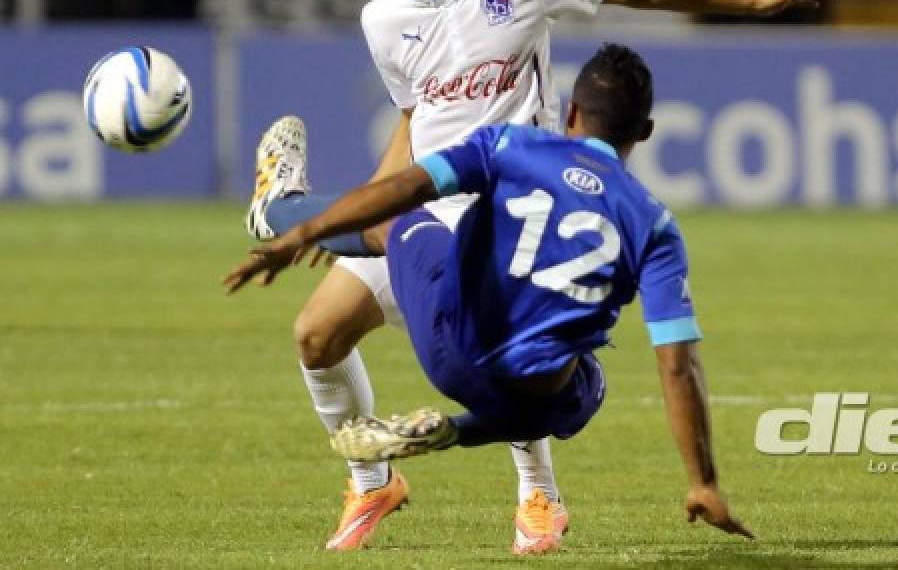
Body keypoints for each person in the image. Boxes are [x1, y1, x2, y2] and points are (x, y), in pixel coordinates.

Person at [242, 0, 833, 553]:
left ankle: (539, 496)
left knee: (513, 347)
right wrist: (368, 206)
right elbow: (415, 120)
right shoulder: (384, 18)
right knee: (316, 335)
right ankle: (373, 486)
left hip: (511, 217)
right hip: (428, 207)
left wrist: (754, 1)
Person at [226, 44, 754, 548]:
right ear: (646, 131)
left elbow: (408, 186)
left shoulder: (510, 147)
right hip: (535, 400)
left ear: (571, 114)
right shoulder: (655, 225)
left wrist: (306, 232)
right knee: (578, 380)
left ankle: (277, 210)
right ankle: (457, 434)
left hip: (449, 347)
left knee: (396, 222)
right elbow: (679, 367)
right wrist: (703, 482)